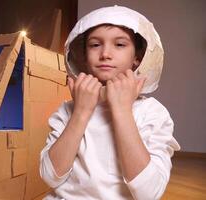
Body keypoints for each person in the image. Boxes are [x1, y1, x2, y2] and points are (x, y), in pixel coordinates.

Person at [40, 5, 180, 200]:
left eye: (120, 44)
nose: (105, 53)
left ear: (137, 58)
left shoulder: (153, 113)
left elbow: (148, 194)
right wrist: (81, 112)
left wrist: (122, 110)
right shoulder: (67, 109)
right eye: (95, 44)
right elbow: (50, 178)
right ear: (83, 56)